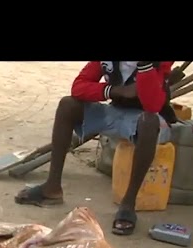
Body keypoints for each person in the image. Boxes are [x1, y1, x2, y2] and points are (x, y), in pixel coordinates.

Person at [15, 61, 178, 236]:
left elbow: (152, 105)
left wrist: (145, 67)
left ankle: (128, 204)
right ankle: (52, 187)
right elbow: (78, 87)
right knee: (67, 105)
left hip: (145, 119)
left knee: (149, 121)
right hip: (114, 111)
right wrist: (115, 91)